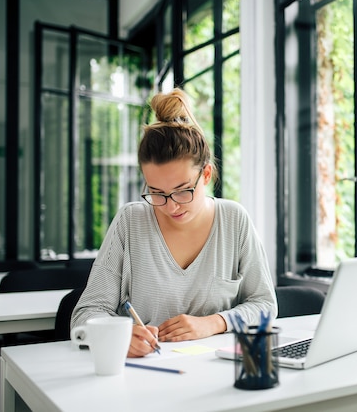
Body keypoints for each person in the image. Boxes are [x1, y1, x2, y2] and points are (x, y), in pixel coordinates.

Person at [71, 88, 277, 358]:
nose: (171, 206)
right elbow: (85, 315)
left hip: (219, 374)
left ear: (205, 174)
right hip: (146, 373)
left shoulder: (234, 220)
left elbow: (264, 305)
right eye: (157, 192)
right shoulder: (130, 221)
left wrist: (214, 323)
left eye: (182, 190)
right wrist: (117, 335)